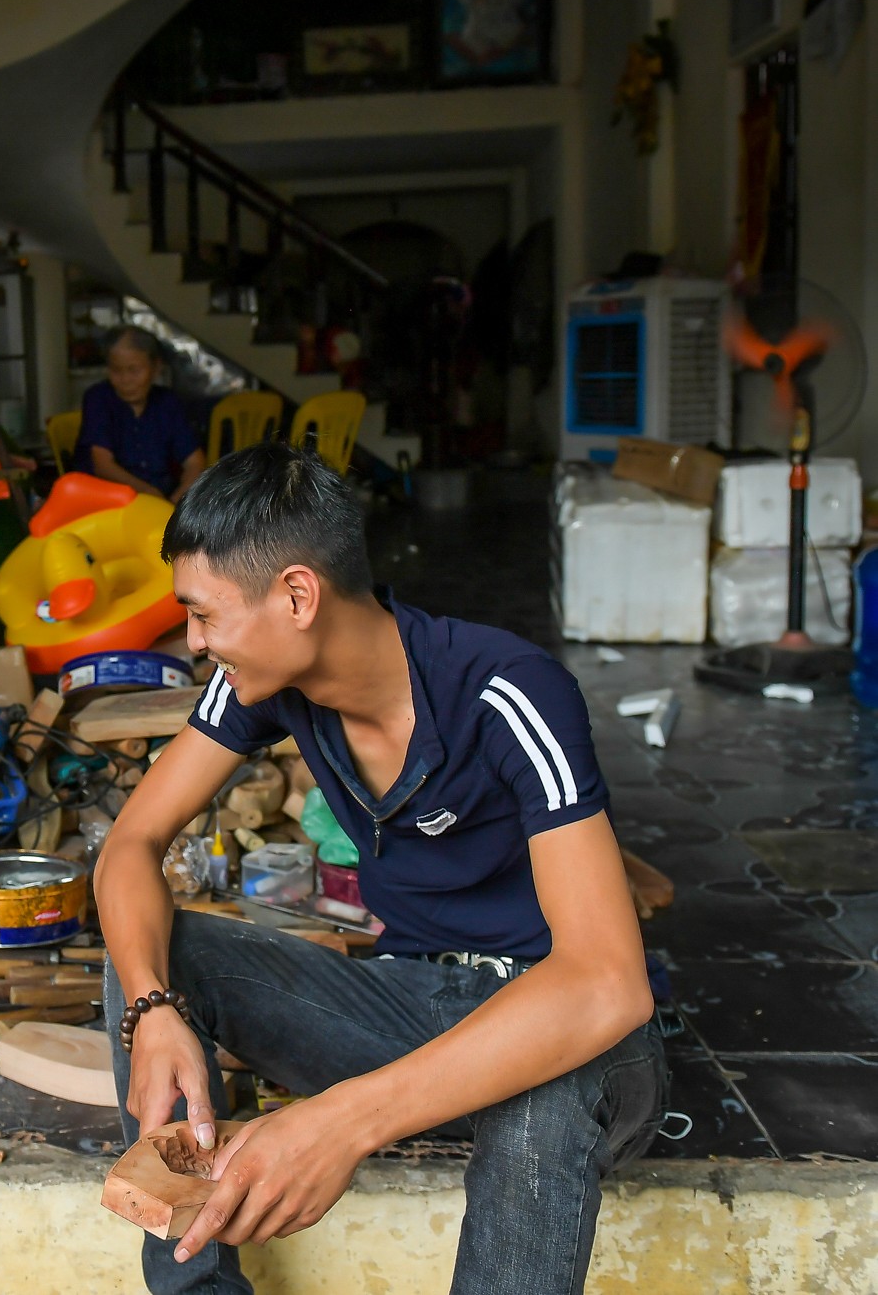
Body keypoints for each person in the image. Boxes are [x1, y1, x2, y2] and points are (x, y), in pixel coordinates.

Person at [96, 443, 664, 1295]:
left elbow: (607, 985)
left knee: (545, 1096)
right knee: (153, 951)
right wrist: (151, 1006)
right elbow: (129, 848)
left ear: (297, 594)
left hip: (562, 1026)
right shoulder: (264, 686)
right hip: (414, 1005)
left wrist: (341, 1123)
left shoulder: (510, 691)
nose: (194, 642)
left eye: (205, 615)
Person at [75, 325, 206, 502]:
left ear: (156, 367)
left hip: (164, 500)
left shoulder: (167, 403)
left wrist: (177, 500)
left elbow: (194, 462)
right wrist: (152, 495)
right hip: (109, 501)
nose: (125, 380)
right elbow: (103, 465)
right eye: (116, 370)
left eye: (134, 370)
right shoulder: (98, 399)